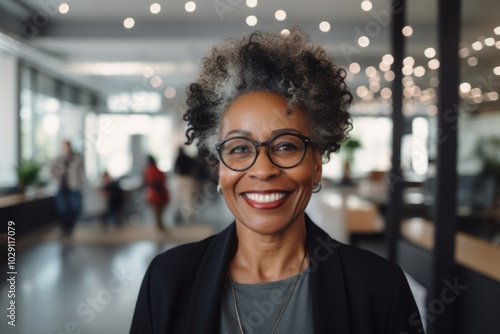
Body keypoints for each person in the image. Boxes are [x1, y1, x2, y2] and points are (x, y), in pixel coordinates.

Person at [130, 28, 423, 334]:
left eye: (285, 146)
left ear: (316, 164)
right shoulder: (166, 281)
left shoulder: (380, 287)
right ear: (219, 170)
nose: (263, 170)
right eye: (240, 149)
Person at [50, 140, 85, 238]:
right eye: (64, 147)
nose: (66, 149)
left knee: (76, 207)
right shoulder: (57, 159)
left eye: (68, 147)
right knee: (62, 209)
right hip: (61, 188)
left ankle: (70, 225)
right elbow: (50, 170)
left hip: (74, 187)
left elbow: (82, 173)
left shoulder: (77, 159)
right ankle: (65, 227)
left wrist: (82, 184)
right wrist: (56, 179)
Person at [144, 155, 169, 232]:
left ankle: (160, 229)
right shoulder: (159, 170)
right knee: (160, 215)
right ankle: (161, 229)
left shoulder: (148, 171)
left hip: (155, 195)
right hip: (162, 194)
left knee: (156, 215)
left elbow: (149, 183)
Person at [172, 146, 196, 223]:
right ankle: (189, 216)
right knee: (188, 198)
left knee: (178, 198)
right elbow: (194, 168)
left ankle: (177, 214)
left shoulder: (178, 158)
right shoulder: (188, 158)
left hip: (180, 179)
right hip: (188, 179)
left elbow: (175, 170)